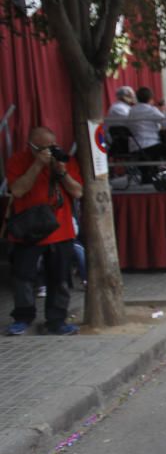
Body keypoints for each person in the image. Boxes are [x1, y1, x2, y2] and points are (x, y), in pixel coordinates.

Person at [6, 127, 84, 336]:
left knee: (59, 278)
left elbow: (77, 191)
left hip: (61, 230)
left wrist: (62, 171)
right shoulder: (17, 161)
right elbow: (18, 190)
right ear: (30, 146)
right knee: (23, 277)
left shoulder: (64, 160)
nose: (48, 151)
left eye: (51, 146)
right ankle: (22, 317)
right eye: (42, 148)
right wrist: (37, 164)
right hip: (29, 230)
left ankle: (56, 321)